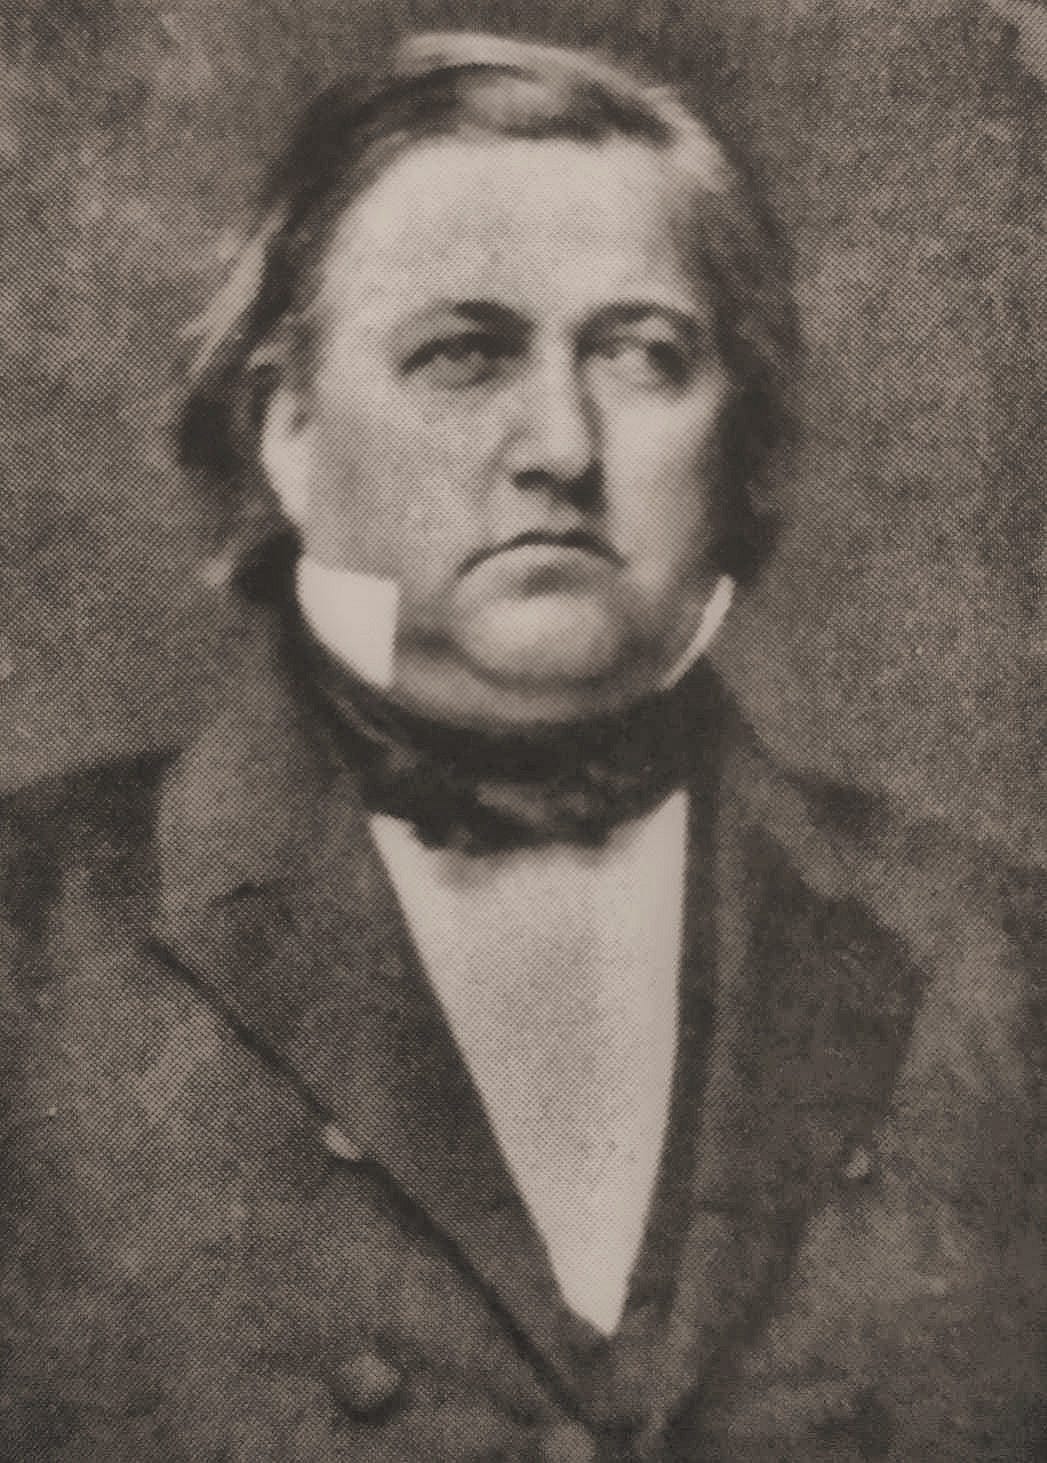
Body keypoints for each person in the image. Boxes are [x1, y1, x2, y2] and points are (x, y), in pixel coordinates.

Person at [1, 30, 1042, 1463]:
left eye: (643, 355)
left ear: (733, 433)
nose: (561, 442)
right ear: (288, 429)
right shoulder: (31, 941)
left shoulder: (994, 954)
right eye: (463, 354)